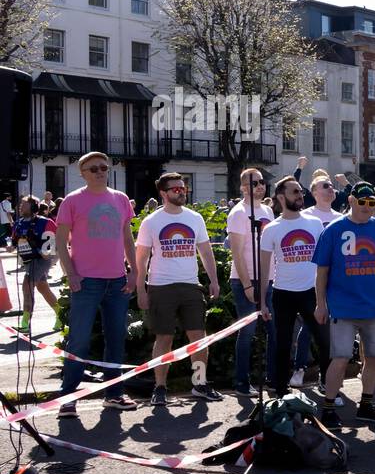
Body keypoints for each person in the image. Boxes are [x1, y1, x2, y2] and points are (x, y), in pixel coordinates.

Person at [55, 154, 139, 416]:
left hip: (117, 281)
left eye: (104, 167)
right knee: (78, 341)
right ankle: (67, 398)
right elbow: (60, 242)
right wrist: (71, 274)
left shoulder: (121, 199)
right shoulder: (72, 200)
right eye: (94, 169)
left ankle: (113, 394)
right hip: (85, 281)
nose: (100, 171)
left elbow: (127, 238)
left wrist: (134, 271)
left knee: (116, 340)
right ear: (83, 173)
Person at [312, 182, 375, 425]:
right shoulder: (333, 229)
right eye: (362, 202)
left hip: (374, 308)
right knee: (340, 358)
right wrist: (320, 304)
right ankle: (328, 408)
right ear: (351, 201)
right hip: (343, 307)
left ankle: (367, 404)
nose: (367, 207)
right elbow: (322, 271)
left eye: (371, 203)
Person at [135, 172, 224, 407]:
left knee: (198, 339)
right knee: (164, 338)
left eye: (183, 188)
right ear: (163, 193)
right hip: (160, 286)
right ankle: (160, 387)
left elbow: (205, 251)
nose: (181, 192)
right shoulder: (151, 221)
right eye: (175, 189)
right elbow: (141, 258)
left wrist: (213, 280)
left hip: (190, 285)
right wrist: (141, 289)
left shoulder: (194, 218)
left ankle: (199, 384)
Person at [258, 176, 328, 398]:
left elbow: (325, 263)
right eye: (295, 192)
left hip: (312, 293)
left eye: (300, 191)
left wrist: (325, 296)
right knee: (282, 345)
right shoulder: (271, 229)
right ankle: (280, 391)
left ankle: (328, 386)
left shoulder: (315, 223)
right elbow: (264, 269)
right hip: (283, 294)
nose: (300, 196)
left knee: (325, 342)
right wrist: (262, 302)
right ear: (281, 197)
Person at [226, 168, 273, 397]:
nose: (261, 186)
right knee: (247, 333)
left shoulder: (268, 211)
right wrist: (247, 285)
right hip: (246, 279)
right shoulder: (238, 213)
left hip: (269, 278)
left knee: (272, 330)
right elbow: (236, 253)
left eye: (262, 182)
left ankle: (271, 379)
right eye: (255, 183)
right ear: (243, 187)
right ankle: (241, 383)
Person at [13, 196, 57, 334]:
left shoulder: (45, 222)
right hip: (27, 261)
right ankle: (61, 315)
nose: (20, 206)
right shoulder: (19, 223)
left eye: (24, 204)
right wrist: (12, 246)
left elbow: (54, 242)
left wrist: (48, 252)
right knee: (43, 288)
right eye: (21, 204)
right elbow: (15, 241)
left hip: (41, 260)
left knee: (27, 285)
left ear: (33, 207)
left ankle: (25, 324)